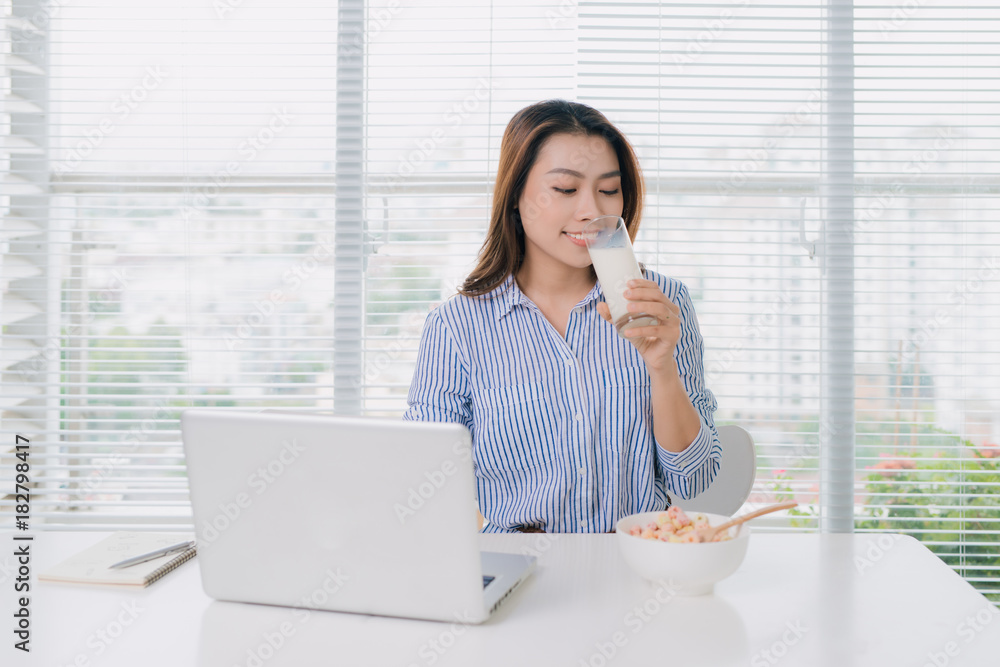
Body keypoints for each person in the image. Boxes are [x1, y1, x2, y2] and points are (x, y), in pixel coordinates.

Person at [403, 99, 720, 533]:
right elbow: (424, 484)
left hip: (633, 571)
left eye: (609, 190)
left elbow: (696, 480)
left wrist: (662, 369)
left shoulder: (663, 304)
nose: (591, 210)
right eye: (567, 190)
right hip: (518, 574)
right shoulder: (457, 328)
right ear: (517, 197)